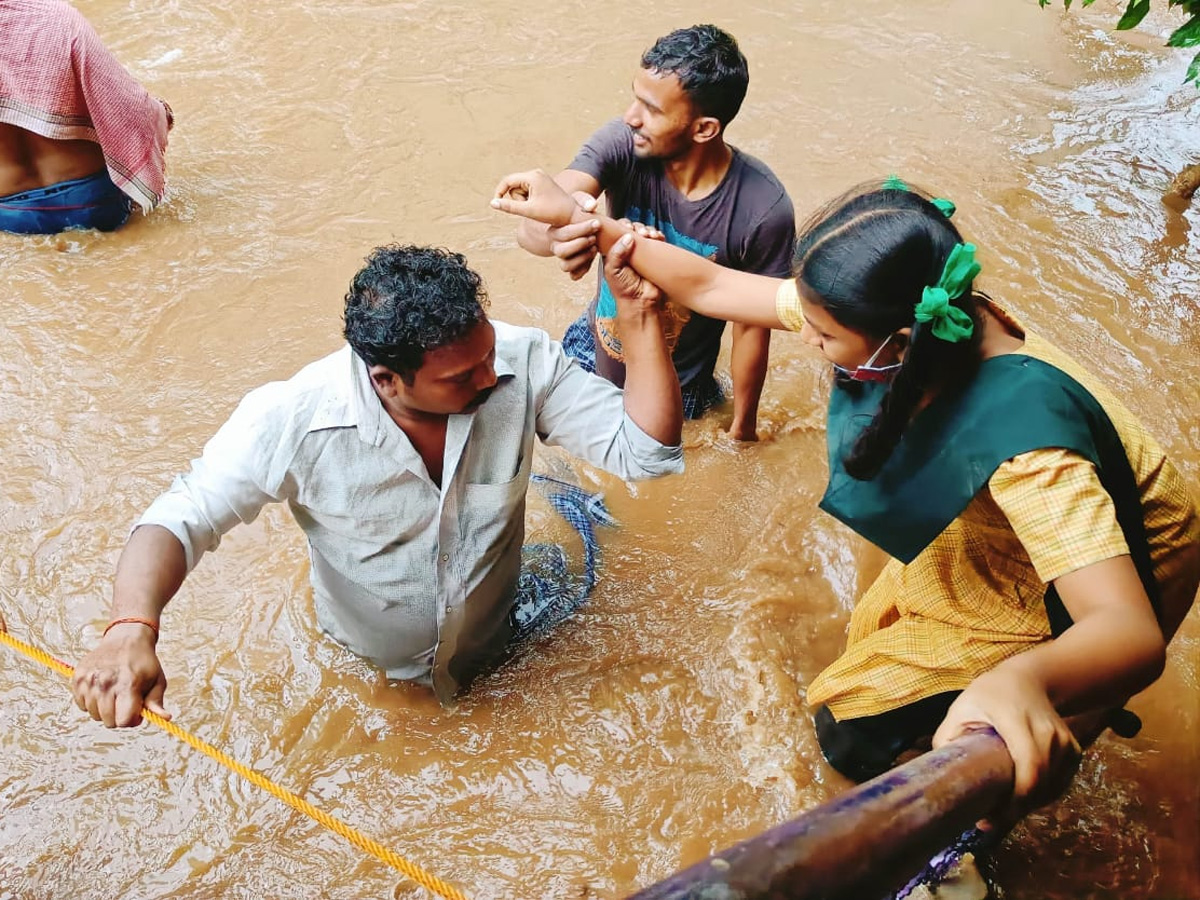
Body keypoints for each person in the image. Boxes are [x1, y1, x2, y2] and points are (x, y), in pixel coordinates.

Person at [491, 169, 1200, 804]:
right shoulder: (913, 319)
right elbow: (711, 285)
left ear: (896, 342)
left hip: (1111, 558)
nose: (805, 337)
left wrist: (1023, 682)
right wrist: (592, 224)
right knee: (884, 626)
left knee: (852, 727)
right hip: (1001, 531)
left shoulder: (1034, 459)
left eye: (823, 336)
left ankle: (957, 816)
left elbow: (1128, 631)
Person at [70, 242, 683, 727]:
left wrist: (641, 319)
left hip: (504, 646)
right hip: (365, 666)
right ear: (388, 380)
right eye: (463, 373)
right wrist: (131, 629)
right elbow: (180, 517)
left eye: (489, 352)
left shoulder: (524, 364)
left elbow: (646, 456)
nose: (492, 376)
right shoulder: (295, 419)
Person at [514, 24, 795, 440]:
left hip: (681, 387)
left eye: (653, 109)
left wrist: (743, 427)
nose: (631, 116)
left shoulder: (761, 209)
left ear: (704, 129)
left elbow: (752, 327)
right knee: (552, 476)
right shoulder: (624, 143)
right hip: (593, 348)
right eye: (634, 97)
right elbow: (543, 216)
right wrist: (557, 235)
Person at [0, 0, 173, 234]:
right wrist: (160, 113)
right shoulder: (57, 18)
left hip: (10, 211)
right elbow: (129, 110)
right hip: (93, 200)